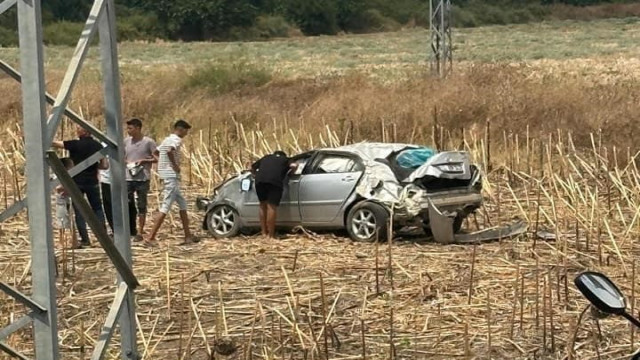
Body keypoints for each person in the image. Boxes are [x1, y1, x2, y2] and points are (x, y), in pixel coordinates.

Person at [52, 125, 108, 247]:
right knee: (97, 209)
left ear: (84, 132)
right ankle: (103, 237)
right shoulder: (97, 145)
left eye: (78, 129)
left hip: (76, 182)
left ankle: (85, 239)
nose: (76, 131)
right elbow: (104, 165)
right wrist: (93, 168)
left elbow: (56, 144)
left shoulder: (75, 144)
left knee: (79, 211)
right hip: (92, 182)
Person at [145, 119, 198, 247]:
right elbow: (169, 151)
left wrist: (162, 164)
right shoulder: (175, 140)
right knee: (165, 206)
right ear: (180, 129)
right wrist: (174, 165)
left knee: (183, 204)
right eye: (186, 130)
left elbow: (156, 152)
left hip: (166, 174)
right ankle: (150, 237)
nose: (186, 133)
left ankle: (188, 235)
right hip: (171, 176)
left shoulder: (166, 139)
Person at [124, 118, 157, 241]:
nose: (128, 131)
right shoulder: (126, 141)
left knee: (142, 204)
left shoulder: (148, 142)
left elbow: (157, 158)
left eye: (131, 128)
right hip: (128, 176)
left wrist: (143, 161)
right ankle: (129, 228)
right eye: (128, 128)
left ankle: (140, 231)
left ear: (138, 128)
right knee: (127, 202)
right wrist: (128, 163)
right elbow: (122, 156)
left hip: (142, 178)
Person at [251, 150, 297, 238]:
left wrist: (254, 175)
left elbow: (252, 168)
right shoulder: (286, 159)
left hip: (259, 181)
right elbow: (294, 165)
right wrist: (291, 173)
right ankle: (271, 235)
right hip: (274, 181)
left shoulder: (266, 157)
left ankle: (264, 233)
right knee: (271, 206)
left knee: (262, 204)